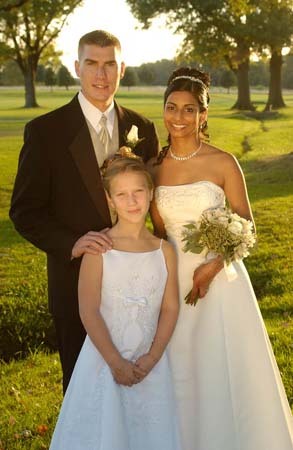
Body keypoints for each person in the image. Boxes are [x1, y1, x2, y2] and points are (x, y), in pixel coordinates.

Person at [150, 67, 293, 450]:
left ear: (203, 114)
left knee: (224, 366)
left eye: (189, 109)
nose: (178, 118)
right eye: (172, 107)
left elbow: (247, 223)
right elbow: (157, 231)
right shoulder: (154, 167)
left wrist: (215, 264)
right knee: (182, 368)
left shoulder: (223, 162)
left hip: (222, 281)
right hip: (172, 281)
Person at [9, 30, 160, 392]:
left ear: (122, 69)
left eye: (110, 65)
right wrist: (72, 243)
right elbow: (25, 211)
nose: (101, 75)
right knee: (82, 388)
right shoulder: (45, 132)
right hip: (75, 280)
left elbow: (153, 202)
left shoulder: (142, 128)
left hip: (136, 285)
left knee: (137, 384)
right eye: (91, 63)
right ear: (77, 67)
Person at [49, 157, 181, 450]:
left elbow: (170, 307)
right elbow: (88, 309)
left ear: (150, 193)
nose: (131, 201)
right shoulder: (99, 248)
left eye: (138, 192)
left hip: (150, 362)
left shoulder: (165, 250)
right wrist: (115, 362)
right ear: (110, 200)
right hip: (104, 359)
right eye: (121, 194)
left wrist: (153, 356)